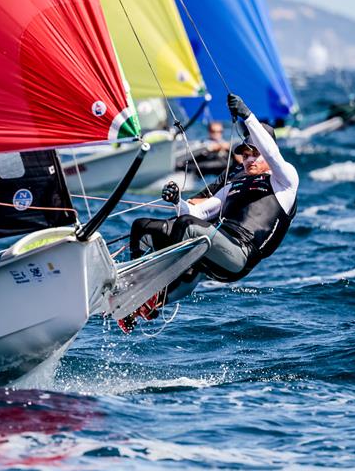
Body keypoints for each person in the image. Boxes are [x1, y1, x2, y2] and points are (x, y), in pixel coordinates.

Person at [122, 93, 299, 332]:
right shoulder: (233, 186)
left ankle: (150, 291)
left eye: (254, 154)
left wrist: (247, 116)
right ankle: (134, 291)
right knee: (143, 227)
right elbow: (198, 212)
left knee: (187, 227)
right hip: (214, 249)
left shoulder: (285, 182)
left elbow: (272, 154)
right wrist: (177, 201)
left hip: (238, 255)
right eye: (245, 155)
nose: (249, 160)